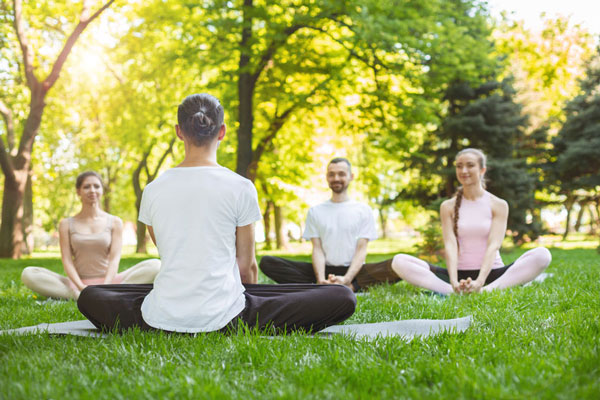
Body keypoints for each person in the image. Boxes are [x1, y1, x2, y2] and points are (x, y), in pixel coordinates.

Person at [77, 93, 355, 334]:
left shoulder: (153, 190)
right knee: (341, 297)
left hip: (160, 315)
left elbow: (172, 254)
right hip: (227, 316)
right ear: (221, 132)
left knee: (90, 296)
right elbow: (246, 267)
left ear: (178, 131)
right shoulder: (241, 187)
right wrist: (249, 297)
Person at [391, 148, 552, 294]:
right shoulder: (447, 206)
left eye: (470, 165)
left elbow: (493, 246)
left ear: (482, 170)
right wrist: (453, 281)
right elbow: (450, 245)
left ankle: (485, 291)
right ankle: (451, 291)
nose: (464, 170)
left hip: (491, 275)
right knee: (399, 261)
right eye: (459, 166)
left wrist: (480, 282)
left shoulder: (498, 205)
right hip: (457, 275)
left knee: (542, 255)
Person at [260, 158, 401, 292]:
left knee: (399, 266)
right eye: (331, 174)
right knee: (267, 262)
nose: (336, 178)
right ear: (327, 177)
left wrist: (347, 278)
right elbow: (317, 249)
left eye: (341, 174)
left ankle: (351, 285)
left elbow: (361, 250)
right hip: (325, 270)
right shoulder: (315, 211)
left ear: (351, 176)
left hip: (356, 271)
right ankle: (322, 285)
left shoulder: (363, 210)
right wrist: (320, 278)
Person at [21, 171, 161, 300]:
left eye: (96, 186)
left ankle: (103, 292)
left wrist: (105, 287)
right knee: (28, 273)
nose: (92, 190)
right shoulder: (66, 224)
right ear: (78, 191)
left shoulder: (115, 222)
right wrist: (81, 287)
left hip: (110, 282)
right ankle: (79, 295)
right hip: (76, 284)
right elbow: (67, 261)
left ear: (102, 190)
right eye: (86, 187)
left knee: (156, 265)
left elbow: (114, 260)